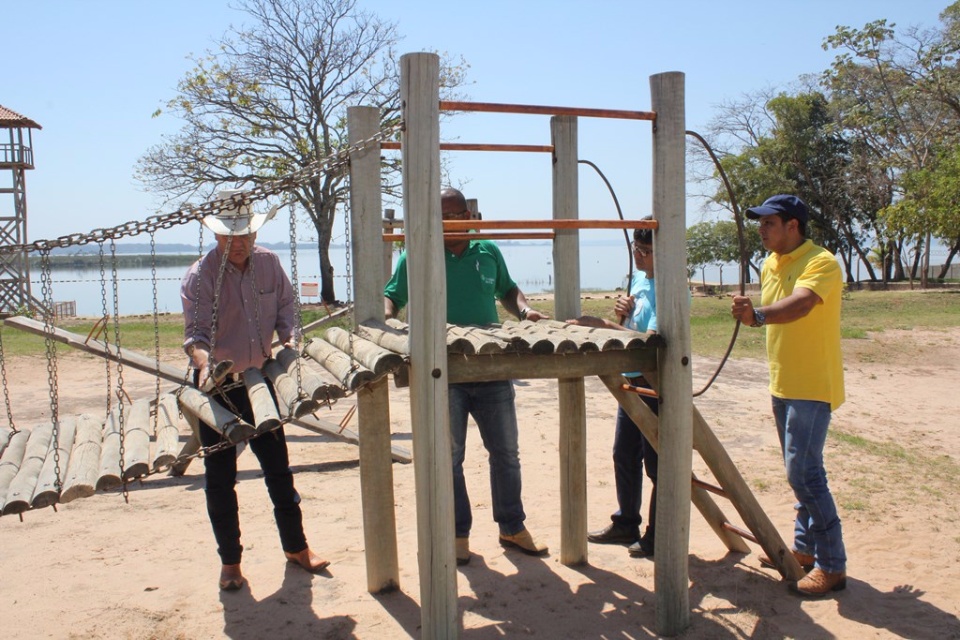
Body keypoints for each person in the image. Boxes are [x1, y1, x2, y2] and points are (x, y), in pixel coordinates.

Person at [383, 187, 549, 566]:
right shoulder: (417, 255)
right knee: (449, 456)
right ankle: (458, 534)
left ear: (471, 218)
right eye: (442, 216)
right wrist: (385, 314)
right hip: (444, 369)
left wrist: (525, 311)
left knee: (506, 453)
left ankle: (511, 525)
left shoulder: (488, 250)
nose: (450, 223)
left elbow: (508, 290)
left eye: (457, 215)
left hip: (491, 365)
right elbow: (393, 294)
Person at [181, 190, 329, 591]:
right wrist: (204, 364)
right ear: (216, 236)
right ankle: (230, 563)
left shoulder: (268, 263)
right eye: (231, 236)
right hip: (218, 388)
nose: (240, 243)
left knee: (278, 470)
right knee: (220, 478)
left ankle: (296, 548)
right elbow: (194, 336)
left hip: (260, 382)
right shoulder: (201, 275)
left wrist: (288, 340)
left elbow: (287, 310)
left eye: (246, 234)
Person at [730, 194, 847, 597]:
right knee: (799, 472)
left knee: (805, 473)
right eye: (760, 223)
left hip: (813, 386)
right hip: (782, 383)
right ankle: (804, 550)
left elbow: (800, 305)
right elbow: (773, 309)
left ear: (793, 225)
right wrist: (754, 313)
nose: (761, 229)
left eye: (769, 223)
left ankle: (833, 565)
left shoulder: (822, 262)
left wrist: (758, 314)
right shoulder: (769, 263)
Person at [569, 222, 659, 558]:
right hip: (631, 378)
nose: (639, 255)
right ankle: (626, 522)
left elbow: (652, 339)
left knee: (657, 462)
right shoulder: (638, 278)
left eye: (647, 251)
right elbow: (630, 326)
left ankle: (657, 533)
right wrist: (619, 316)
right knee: (624, 454)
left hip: (655, 381)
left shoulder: (672, 286)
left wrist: (603, 325)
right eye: (636, 248)